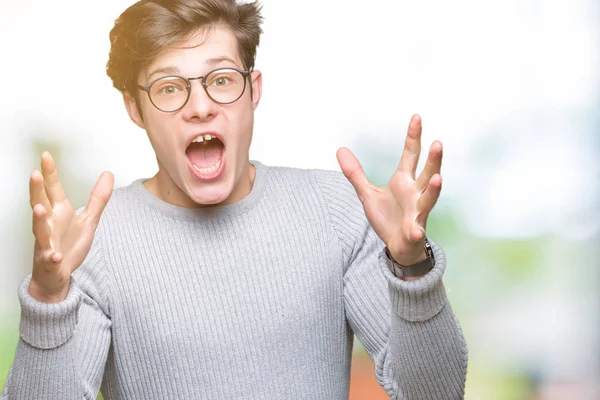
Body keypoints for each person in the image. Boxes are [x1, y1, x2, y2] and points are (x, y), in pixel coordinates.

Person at [1, 0, 468, 398]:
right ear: (134, 108)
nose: (200, 106)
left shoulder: (336, 213)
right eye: (169, 88)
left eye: (221, 79)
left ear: (253, 90)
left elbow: (435, 394)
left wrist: (412, 267)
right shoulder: (94, 243)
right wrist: (47, 299)